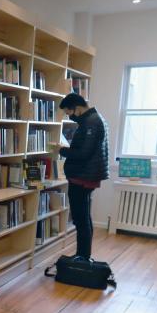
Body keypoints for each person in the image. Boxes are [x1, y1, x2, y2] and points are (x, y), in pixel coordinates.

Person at [55, 93, 109, 261]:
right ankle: (83, 256)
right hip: (86, 176)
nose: (69, 116)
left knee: (81, 218)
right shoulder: (93, 119)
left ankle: (82, 257)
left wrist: (62, 150)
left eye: (68, 112)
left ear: (77, 108)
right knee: (84, 216)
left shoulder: (91, 122)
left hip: (83, 177)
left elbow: (84, 153)